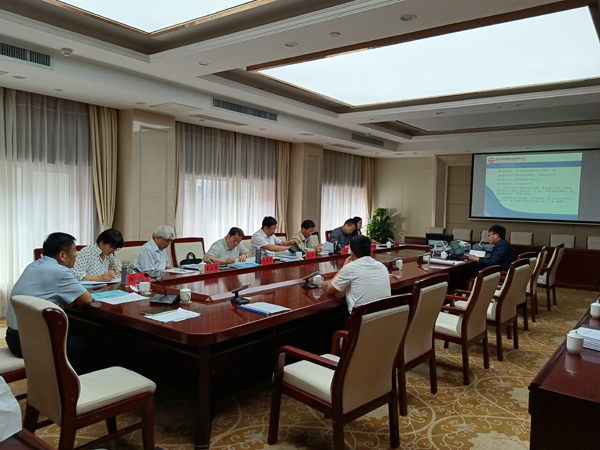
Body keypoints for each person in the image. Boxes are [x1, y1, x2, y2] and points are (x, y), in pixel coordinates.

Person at [5, 232, 95, 373]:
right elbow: (86, 298)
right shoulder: (60, 271)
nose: (76, 255)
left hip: (13, 338)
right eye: (74, 251)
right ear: (62, 255)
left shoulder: (33, 265)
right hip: (34, 344)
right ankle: (76, 383)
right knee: (92, 344)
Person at [327, 235, 391, 313]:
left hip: (362, 318)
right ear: (371, 251)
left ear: (351, 253)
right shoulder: (382, 267)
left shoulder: (350, 268)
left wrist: (344, 266)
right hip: (384, 317)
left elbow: (330, 289)